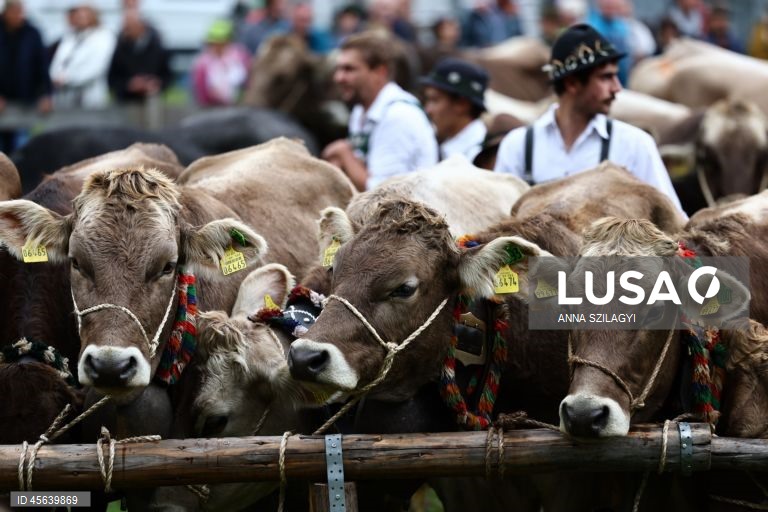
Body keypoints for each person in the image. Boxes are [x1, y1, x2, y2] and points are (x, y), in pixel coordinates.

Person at [494, 23, 686, 216]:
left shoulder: (634, 144)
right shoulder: (518, 146)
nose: (617, 87)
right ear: (572, 83)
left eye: (616, 76)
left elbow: (673, 219)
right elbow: (500, 220)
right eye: (606, 77)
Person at [321, 31, 438, 191]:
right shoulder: (360, 110)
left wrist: (344, 154)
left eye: (349, 69)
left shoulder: (398, 115)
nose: (338, 78)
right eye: (339, 69)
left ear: (379, 72)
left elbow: (382, 193)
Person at [0, 0, 52, 153]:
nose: (19, 15)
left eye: (21, 11)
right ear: (6, 12)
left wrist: (45, 94)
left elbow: (42, 66)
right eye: (16, 11)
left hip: (26, 101)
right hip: (2, 102)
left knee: (22, 151)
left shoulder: (32, 33)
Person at [49, 3, 116, 109]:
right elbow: (59, 60)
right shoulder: (70, 36)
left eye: (84, 14)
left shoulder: (104, 36)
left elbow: (96, 68)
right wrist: (55, 76)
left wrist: (68, 79)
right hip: (66, 96)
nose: (80, 18)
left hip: (90, 96)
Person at [420, 57, 488, 162]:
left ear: (462, 104)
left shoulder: (478, 157)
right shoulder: (444, 146)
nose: (428, 110)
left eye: (435, 100)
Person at [108, 9, 171, 102]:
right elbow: (112, 79)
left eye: (130, 26)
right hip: (125, 102)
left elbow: (167, 76)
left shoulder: (157, 48)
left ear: (142, 26)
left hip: (151, 100)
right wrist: (129, 85)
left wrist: (156, 84)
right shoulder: (120, 48)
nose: (127, 30)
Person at [191, 19, 249, 107]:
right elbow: (200, 91)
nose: (217, 47)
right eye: (214, 43)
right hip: (211, 107)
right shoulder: (202, 63)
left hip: (238, 106)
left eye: (221, 43)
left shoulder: (240, 58)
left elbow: (246, 82)